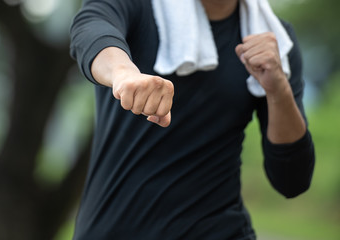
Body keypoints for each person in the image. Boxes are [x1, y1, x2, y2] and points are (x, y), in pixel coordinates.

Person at [70, 0, 315, 239]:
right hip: (115, 228)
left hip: (219, 229)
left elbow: (292, 181)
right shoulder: (140, 5)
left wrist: (279, 89)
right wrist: (123, 73)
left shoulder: (275, 43)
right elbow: (90, 28)